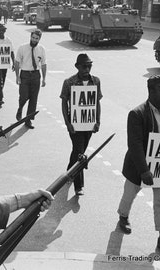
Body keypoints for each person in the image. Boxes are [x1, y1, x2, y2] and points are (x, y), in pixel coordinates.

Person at [117, 75, 160, 253]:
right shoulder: (137, 114)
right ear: (151, 91)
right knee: (130, 194)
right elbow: (135, 144)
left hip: (159, 166)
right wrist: (144, 170)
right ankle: (123, 216)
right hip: (138, 165)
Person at [60, 53, 102, 196]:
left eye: (89, 65)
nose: (87, 69)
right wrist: (68, 123)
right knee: (80, 153)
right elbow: (64, 103)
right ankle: (79, 186)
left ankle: (69, 172)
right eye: (84, 66)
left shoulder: (96, 81)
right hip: (75, 124)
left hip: (89, 124)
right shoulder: (69, 82)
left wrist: (97, 121)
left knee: (79, 150)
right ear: (77, 67)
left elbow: (97, 102)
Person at [14, 29, 47, 129]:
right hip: (25, 74)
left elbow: (44, 64)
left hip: (36, 75)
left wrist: (44, 78)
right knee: (24, 96)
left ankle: (28, 120)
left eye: (36, 39)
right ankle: (20, 109)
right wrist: (17, 76)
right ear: (30, 37)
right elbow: (17, 63)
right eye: (33, 38)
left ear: (39, 39)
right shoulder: (22, 48)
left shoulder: (41, 49)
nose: (34, 40)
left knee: (33, 99)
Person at [0, 23, 15, 107]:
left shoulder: (8, 40)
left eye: (3, 31)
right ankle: (1, 97)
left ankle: (0, 91)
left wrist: (13, 63)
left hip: (4, 63)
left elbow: (11, 52)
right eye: (0, 31)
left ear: (4, 31)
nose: (1, 32)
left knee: (3, 79)